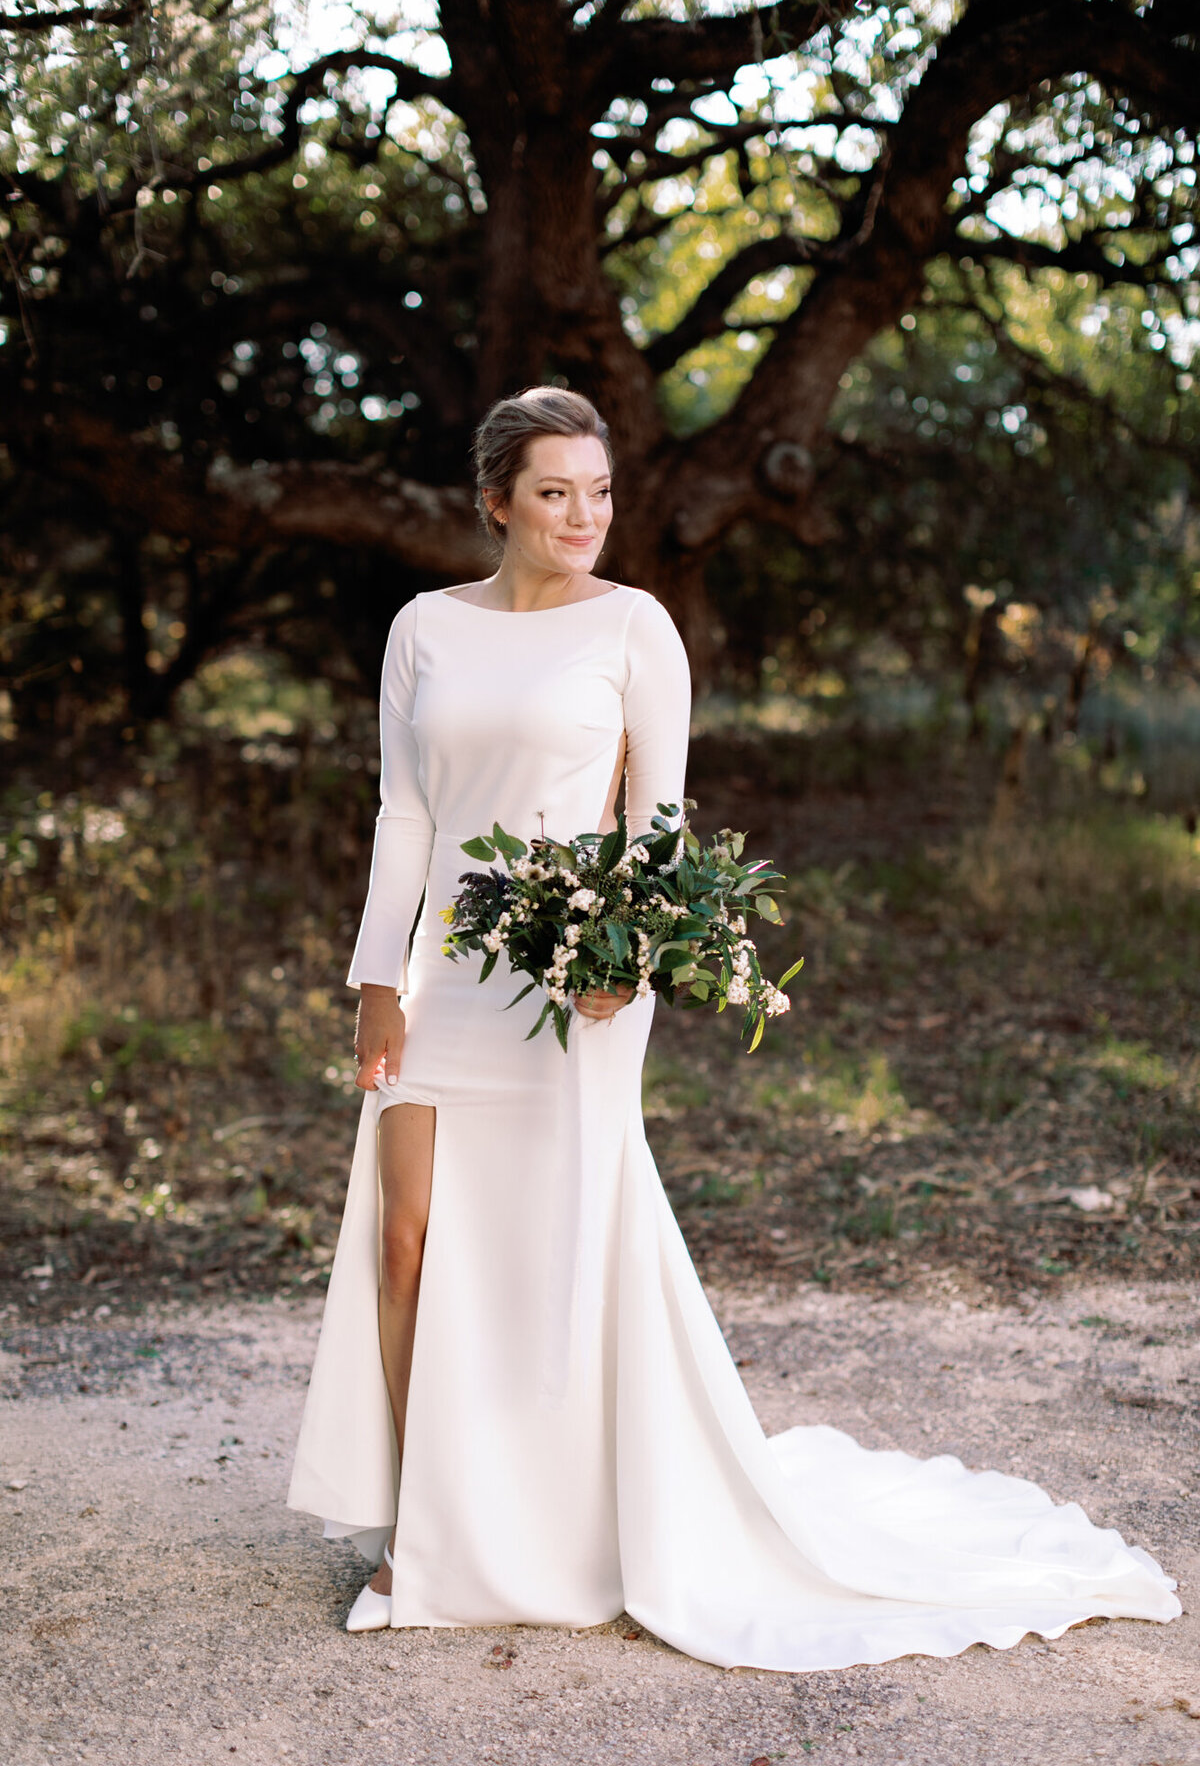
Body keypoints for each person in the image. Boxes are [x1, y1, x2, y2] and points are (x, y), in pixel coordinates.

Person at [287, 387, 1180, 1670]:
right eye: (554, 493)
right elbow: (406, 819)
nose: (582, 516)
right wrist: (378, 973)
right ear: (496, 500)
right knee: (405, 1242)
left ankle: (566, 1527)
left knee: (557, 1255)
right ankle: (427, 1529)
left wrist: (625, 964)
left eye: (598, 492)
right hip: (444, 976)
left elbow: (659, 827)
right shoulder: (424, 630)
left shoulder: (637, 628)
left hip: (576, 982)